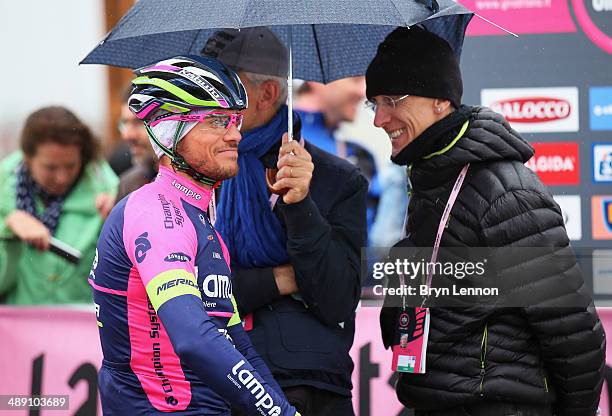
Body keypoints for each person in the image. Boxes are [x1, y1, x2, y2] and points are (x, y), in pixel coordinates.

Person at [368, 27, 605, 415]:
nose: (379, 119)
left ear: (441, 101)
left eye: (392, 100)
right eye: (373, 103)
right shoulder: (432, 181)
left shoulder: (504, 193)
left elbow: (573, 331)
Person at [90, 55, 299, 416]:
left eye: (235, 120)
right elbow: (192, 338)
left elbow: (239, 346)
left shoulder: (203, 226)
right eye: (218, 121)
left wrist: (283, 408)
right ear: (171, 131)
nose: (235, 133)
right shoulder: (156, 212)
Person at [202, 28, 368, 415]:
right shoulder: (198, 174)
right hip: (212, 377)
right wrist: (282, 279)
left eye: (227, 87)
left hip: (306, 383)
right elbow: (192, 292)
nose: (215, 100)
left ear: (268, 95)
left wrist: (300, 205)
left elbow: (337, 301)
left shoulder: (339, 180)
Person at [0, 106, 118, 304]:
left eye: (70, 165)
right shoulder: (4, 196)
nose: (62, 178)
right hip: (17, 330)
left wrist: (121, 223)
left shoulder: (111, 196)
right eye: (50, 167)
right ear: (27, 159)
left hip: (83, 328)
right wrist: (7, 228)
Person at [294, 79, 381, 232]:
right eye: (355, 79)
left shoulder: (357, 152)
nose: (363, 92)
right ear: (315, 81)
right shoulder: (282, 139)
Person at [115, 85, 158, 201]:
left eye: (138, 122)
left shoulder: (202, 182)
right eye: (124, 123)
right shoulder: (129, 185)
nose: (127, 135)